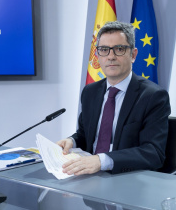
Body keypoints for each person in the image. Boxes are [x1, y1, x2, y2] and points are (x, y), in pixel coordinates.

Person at [57, 21, 171, 175]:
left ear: (133, 55)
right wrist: (72, 140)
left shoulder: (154, 97)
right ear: (97, 55)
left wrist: (101, 161)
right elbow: (86, 134)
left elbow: (153, 153)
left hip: (127, 180)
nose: (111, 56)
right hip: (88, 176)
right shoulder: (90, 92)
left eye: (119, 49)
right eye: (104, 50)